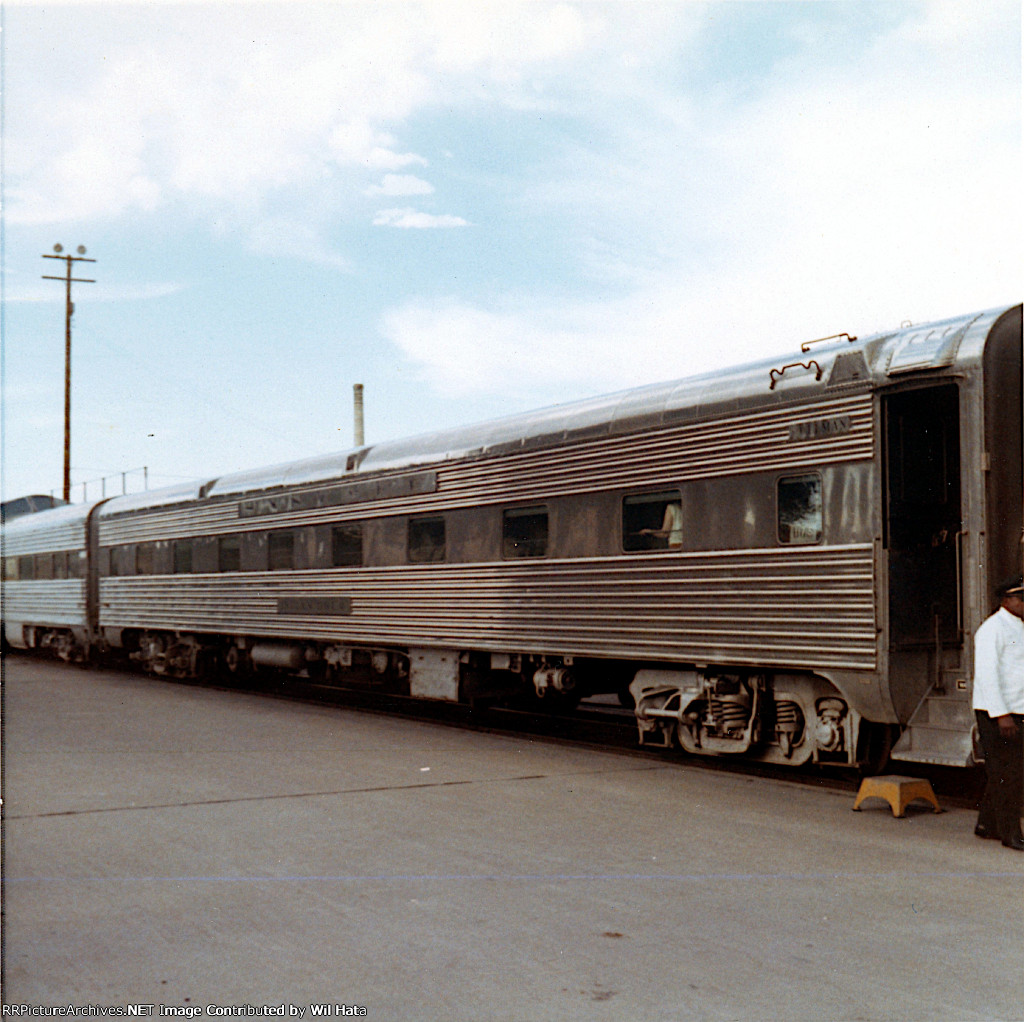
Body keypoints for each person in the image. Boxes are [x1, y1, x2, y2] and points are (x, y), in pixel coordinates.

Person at [972, 573, 1024, 850]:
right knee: (1009, 775)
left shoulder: (1019, 626)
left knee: (1006, 772)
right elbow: (988, 676)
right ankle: (1010, 834)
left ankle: (986, 824)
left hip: (1017, 710)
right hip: (998, 715)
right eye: (1022, 598)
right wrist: (1002, 714)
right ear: (1006, 600)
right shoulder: (992, 629)